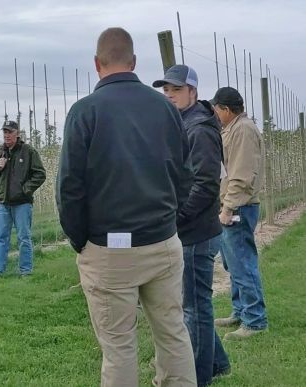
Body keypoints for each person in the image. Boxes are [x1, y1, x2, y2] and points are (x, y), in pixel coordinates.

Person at [57, 27, 196, 386]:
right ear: (134, 62)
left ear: (96, 64)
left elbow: (69, 188)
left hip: (108, 249)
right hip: (162, 243)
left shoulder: (85, 112)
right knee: (173, 334)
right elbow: (185, 174)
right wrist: (169, 221)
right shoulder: (166, 108)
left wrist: (80, 239)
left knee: (119, 347)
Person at [154, 64, 230, 385]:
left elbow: (206, 184)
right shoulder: (182, 123)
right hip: (193, 228)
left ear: (193, 92)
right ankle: (217, 363)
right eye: (166, 91)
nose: (169, 96)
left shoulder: (197, 129)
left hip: (195, 231)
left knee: (195, 306)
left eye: (176, 90)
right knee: (195, 301)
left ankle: (198, 376)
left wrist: (176, 218)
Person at [211, 86, 268, 340]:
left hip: (240, 207)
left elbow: (242, 174)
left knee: (242, 263)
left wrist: (228, 207)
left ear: (225, 109)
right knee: (233, 262)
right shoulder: (232, 129)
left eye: (216, 109)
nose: (215, 113)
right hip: (234, 204)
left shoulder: (243, 130)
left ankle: (255, 321)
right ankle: (240, 311)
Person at [0, 120, 46, 277]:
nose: (6, 135)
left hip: (22, 204)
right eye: (4, 132)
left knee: (24, 238)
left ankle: (26, 271)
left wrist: (25, 190)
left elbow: (40, 174)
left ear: (17, 133)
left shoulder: (28, 152)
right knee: (0, 238)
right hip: (3, 203)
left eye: (10, 132)